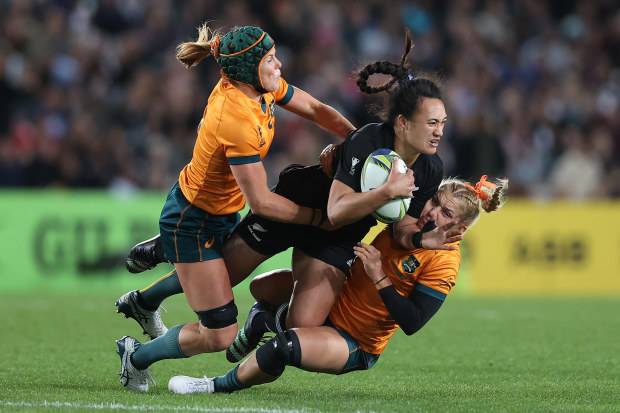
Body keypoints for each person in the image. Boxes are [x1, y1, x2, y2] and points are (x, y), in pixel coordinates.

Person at [118, 28, 460, 367]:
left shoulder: (427, 168)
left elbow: (314, 108)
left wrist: (420, 237)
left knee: (304, 324)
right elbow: (324, 209)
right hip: (295, 205)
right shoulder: (238, 117)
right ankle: (161, 262)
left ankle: (262, 320)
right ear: (403, 123)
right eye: (432, 122)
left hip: (333, 233)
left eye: (442, 122)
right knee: (222, 276)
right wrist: (375, 180)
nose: (440, 131)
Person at [115, 23, 355, 392]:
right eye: (271, 59)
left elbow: (317, 109)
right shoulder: (236, 119)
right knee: (220, 333)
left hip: (221, 211)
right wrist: (318, 219)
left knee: (220, 277)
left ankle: (150, 282)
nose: (279, 65)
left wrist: (359, 143)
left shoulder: (260, 85)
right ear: (248, 70)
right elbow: (263, 202)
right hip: (192, 220)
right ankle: (135, 356)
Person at [166, 175, 509, 394]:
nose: (432, 212)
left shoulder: (445, 262)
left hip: (353, 340)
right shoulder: (407, 218)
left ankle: (213, 386)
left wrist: (379, 276)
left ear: (460, 230)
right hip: (335, 299)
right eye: (435, 202)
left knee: (283, 348)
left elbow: (413, 322)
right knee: (260, 288)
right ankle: (264, 320)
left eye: (446, 214)